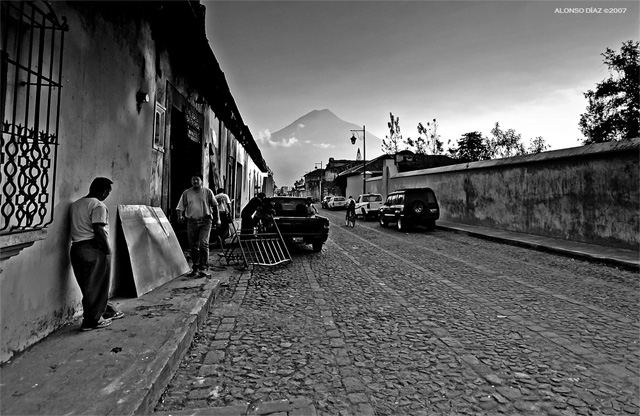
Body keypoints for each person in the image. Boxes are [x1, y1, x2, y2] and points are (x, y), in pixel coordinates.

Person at [69, 177, 124, 331]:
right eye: (108, 192)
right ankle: (92, 321)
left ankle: (104, 310)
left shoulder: (76, 204)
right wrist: (107, 249)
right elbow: (98, 229)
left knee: (88, 285)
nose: (107, 195)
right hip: (94, 247)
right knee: (98, 285)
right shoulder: (98, 206)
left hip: (77, 247)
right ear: (104, 191)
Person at [176, 174, 221, 277]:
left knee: (203, 243)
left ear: (201, 181)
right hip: (192, 222)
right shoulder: (186, 193)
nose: (195, 182)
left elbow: (215, 205)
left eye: (197, 180)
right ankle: (195, 267)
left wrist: (217, 219)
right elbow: (180, 207)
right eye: (193, 180)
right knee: (193, 246)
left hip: (205, 221)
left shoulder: (208, 192)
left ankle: (204, 267)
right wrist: (180, 216)